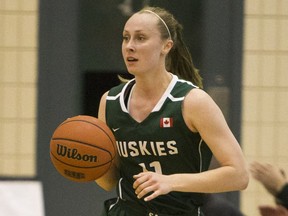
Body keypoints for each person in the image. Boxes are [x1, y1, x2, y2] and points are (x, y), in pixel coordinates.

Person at [96, 6, 249, 216]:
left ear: (166, 46)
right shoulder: (110, 101)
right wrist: (88, 162)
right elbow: (108, 181)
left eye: (140, 38)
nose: (129, 46)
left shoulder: (192, 102)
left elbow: (239, 175)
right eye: (125, 38)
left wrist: (171, 181)